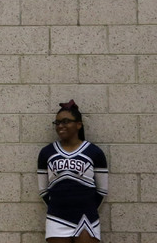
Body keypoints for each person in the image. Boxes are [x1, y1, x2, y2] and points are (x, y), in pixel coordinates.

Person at [37, 100, 108, 243]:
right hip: (57, 217)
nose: (60, 126)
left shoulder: (94, 152)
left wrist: (86, 207)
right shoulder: (46, 153)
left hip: (87, 218)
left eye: (65, 121)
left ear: (78, 125)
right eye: (57, 123)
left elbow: (102, 190)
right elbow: (43, 191)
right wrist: (59, 207)